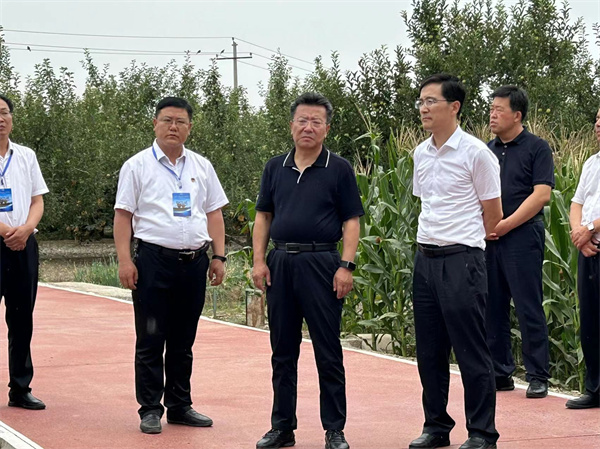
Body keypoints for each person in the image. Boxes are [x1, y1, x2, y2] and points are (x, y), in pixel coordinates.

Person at [252, 92, 364, 449]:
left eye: (316, 121)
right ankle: (282, 427)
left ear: (326, 128)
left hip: (322, 264)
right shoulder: (275, 167)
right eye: (302, 120)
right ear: (291, 125)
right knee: (282, 351)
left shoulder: (339, 168)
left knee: (328, 351)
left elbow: (351, 221)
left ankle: (334, 429)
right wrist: (258, 261)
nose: (308, 127)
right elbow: (263, 216)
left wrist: (346, 266)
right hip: (281, 263)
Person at [114, 97, 228, 434]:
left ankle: (180, 405)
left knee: (183, 340)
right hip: (153, 262)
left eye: (180, 122)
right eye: (167, 120)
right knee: (151, 338)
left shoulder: (202, 166)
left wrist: (219, 256)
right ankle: (150, 408)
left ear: (190, 127)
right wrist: (125, 260)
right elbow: (123, 216)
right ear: (155, 124)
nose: (173, 127)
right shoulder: (136, 166)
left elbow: (214, 213)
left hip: (194, 264)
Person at [409, 74, 502, 449]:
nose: (423, 108)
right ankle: (436, 426)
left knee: (470, 350)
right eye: (421, 102)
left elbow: (493, 214)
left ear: (454, 107)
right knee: (429, 351)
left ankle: (481, 432)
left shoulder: (476, 153)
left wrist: (465, 245)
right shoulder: (420, 153)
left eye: (431, 101)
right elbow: (426, 203)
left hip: (462, 260)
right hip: (425, 260)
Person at [485, 86, 554, 398]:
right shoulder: (486, 151)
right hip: (489, 238)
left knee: (528, 305)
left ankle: (538, 374)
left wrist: (505, 224)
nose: (492, 115)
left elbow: (541, 195)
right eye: (491, 109)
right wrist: (487, 227)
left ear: (517, 115)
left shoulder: (537, 148)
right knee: (493, 306)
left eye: (499, 109)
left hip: (523, 235)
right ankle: (500, 372)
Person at [0, 94, 48, 410]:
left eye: (4, 112)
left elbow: (37, 199)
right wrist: (7, 232)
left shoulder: (26, 156)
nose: (0, 119)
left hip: (23, 245)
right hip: (5, 238)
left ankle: (20, 388)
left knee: (21, 319)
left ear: (12, 118)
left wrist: (27, 229)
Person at [565, 107, 600, 409]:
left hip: (594, 238)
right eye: (597, 119)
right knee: (590, 320)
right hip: (589, 250)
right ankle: (595, 388)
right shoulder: (591, 162)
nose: (598, 124)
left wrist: (589, 229)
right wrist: (579, 233)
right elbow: (577, 202)